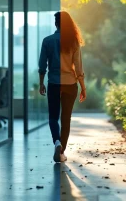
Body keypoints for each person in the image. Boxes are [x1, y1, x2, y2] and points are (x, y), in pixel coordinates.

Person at [38, 11, 87, 163]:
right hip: (70, 84)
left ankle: (57, 143)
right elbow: (78, 69)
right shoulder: (74, 42)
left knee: (53, 117)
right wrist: (83, 88)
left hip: (53, 83)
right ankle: (61, 153)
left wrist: (41, 82)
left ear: (56, 24)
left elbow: (42, 65)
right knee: (66, 119)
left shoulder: (47, 41)